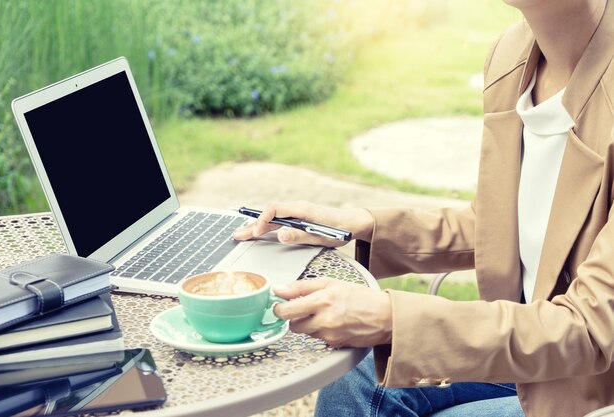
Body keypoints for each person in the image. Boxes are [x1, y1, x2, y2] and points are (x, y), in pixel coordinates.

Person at [233, 0, 614, 415]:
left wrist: (394, 319)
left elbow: (592, 329)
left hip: (592, 385)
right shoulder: (513, 55)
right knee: (355, 378)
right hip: (528, 349)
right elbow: (505, 225)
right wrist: (364, 225)